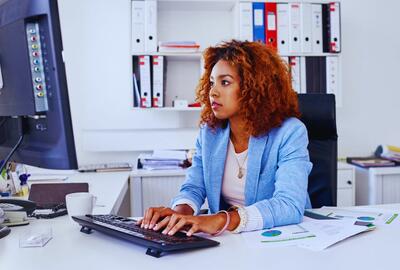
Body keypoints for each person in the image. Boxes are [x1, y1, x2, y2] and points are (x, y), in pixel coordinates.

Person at [138, 40, 312, 237]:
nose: (213, 91)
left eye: (225, 82)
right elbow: (194, 187)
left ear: (253, 87)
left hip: (280, 239)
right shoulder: (209, 132)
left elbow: (289, 205)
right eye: (212, 82)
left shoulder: (290, 132)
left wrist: (222, 219)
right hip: (229, 241)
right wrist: (178, 217)